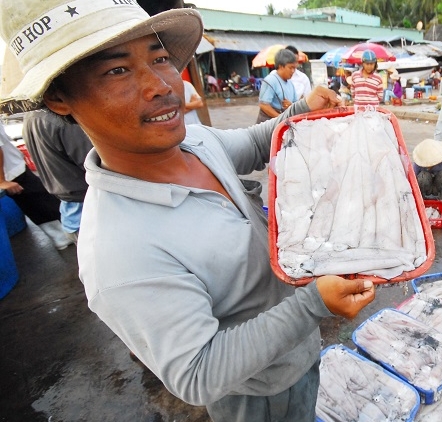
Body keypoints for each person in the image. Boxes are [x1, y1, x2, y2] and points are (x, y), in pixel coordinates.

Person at [0, 1, 375, 421]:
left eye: (159, 58)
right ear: (59, 98)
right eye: (118, 70)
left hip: (299, 353)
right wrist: (312, 305)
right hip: (259, 392)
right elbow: (198, 373)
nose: (161, 84)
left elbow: (254, 143)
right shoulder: (118, 249)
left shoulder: (195, 143)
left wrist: (302, 111)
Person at [22, 108, 93, 242]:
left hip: (70, 207)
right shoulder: (62, 119)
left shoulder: (32, 116)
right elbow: (94, 163)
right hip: (85, 206)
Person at [0, 122, 73, 250]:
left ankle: (63, 236)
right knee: (40, 202)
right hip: (11, 173)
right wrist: (1, 180)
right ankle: (63, 236)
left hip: (13, 169)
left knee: (38, 201)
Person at [257, 48, 298, 123]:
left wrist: (291, 105)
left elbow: (295, 102)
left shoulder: (290, 83)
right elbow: (263, 105)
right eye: (290, 68)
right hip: (268, 123)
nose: (293, 71)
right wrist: (281, 119)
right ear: (281, 66)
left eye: (294, 68)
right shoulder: (270, 80)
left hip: (283, 120)